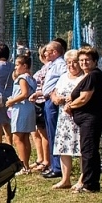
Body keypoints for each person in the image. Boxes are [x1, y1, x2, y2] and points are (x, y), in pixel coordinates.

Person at [67, 46, 102, 193]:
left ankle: (90, 184)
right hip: (87, 118)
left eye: (87, 60)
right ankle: (88, 181)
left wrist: (71, 106)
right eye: (81, 60)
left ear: (95, 61)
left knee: (89, 150)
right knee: (88, 149)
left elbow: (85, 98)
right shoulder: (89, 76)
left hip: (92, 118)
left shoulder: (94, 76)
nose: (84, 63)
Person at [50, 49, 85, 190]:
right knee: (64, 148)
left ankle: (82, 179)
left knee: (82, 149)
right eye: (68, 63)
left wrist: (71, 103)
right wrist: (55, 98)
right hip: (64, 118)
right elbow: (54, 92)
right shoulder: (64, 76)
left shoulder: (84, 77)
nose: (71, 65)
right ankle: (65, 179)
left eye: (75, 62)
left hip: (78, 117)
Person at [33, 41, 66, 176]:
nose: (45, 54)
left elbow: (64, 79)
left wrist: (55, 92)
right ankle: (53, 165)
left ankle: (57, 167)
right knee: (50, 133)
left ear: (55, 52)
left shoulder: (60, 65)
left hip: (53, 101)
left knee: (53, 133)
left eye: (47, 51)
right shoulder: (52, 65)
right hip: (46, 99)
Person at [6, 53, 38, 171]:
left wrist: (12, 101)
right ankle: (27, 165)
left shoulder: (22, 78)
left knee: (17, 138)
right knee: (25, 137)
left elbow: (24, 94)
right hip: (29, 108)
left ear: (24, 66)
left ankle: (23, 166)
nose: (15, 67)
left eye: (17, 65)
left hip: (21, 109)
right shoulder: (32, 78)